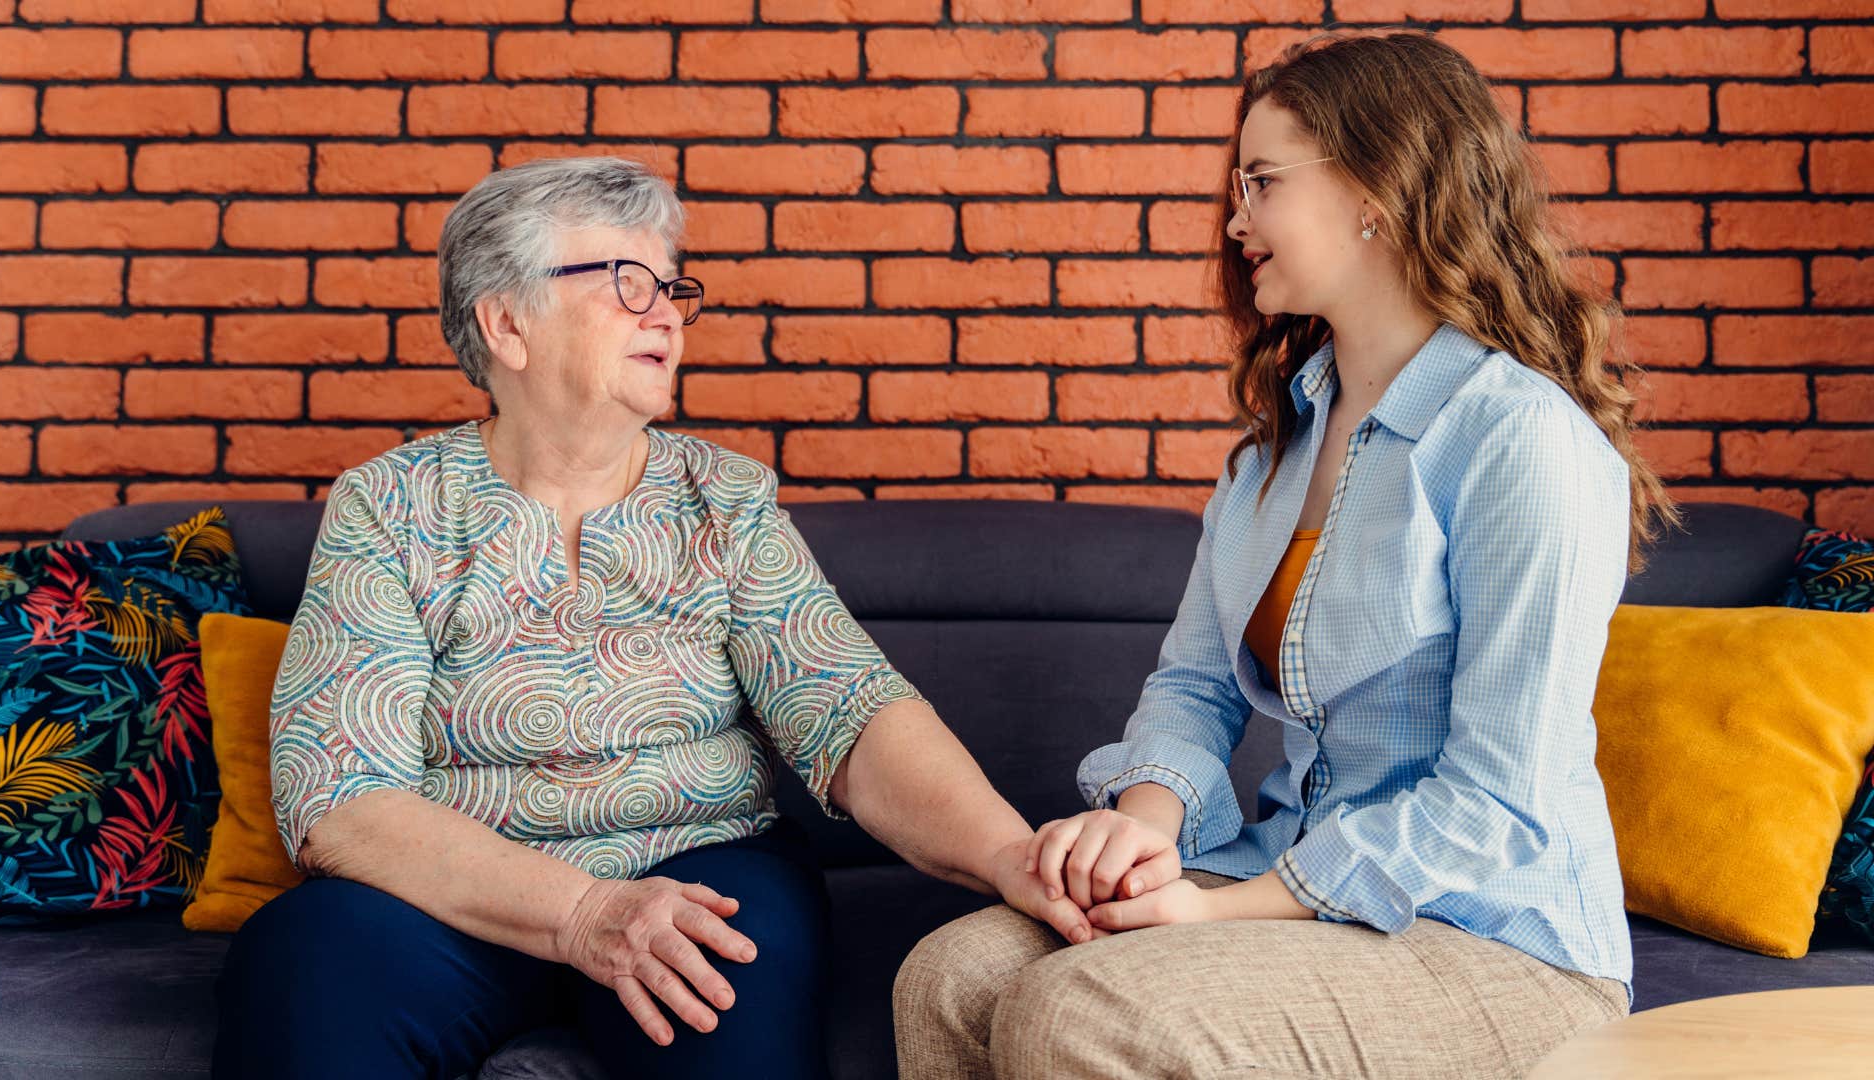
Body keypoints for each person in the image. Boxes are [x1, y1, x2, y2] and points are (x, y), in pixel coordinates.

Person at [895, 31, 1675, 1079]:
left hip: (1492, 937)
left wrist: (1219, 912)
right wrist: (1144, 828)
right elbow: (1195, 687)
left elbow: (1498, 797)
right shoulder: (1277, 450)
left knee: (1084, 1009)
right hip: (1296, 888)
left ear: (1376, 192)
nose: (1235, 221)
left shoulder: (1519, 438)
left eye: (1262, 183)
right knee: (950, 977)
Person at [211, 156, 1088, 1080]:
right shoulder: (390, 506)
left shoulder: (726, 499)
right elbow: (342, 800)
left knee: (730, 991)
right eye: (628, 283)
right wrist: (582, 912)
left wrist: (1009, 854)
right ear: (507, 323)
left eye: (671, 287)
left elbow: (851, 712)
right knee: (301, 967)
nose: (666, 313)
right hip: (449, 894)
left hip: (698, 869)